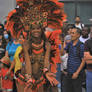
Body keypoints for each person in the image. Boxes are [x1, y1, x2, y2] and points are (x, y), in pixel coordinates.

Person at [4, 0, 66, 92]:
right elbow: (28, 62)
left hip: (41, 77)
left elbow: (46, 61)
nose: (36, 31)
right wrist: (29, 78)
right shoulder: (26, 44)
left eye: (38, 28)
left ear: (42, 30)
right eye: (33, 29)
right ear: (30, 30)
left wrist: (46, 72)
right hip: (27, 77)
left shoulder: (47, 44)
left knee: (55, 87)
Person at [64, 27, 85, 92]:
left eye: (73, 33)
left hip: (77, 74)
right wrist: (62, 42)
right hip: (69, 72)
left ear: (78, 35)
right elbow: (63, 53)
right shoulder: (69, 44)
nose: (71, 35)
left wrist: (76, 73)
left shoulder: (81, 46)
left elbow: (83, 60)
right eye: (70, 33)